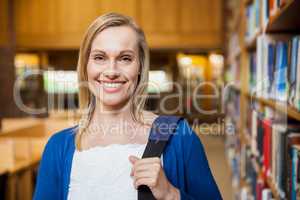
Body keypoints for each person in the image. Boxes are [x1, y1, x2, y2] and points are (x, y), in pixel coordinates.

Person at [33, 13, 222, 200]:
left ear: (140, 66)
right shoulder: (58, 147)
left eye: (125, 58)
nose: (112, 71)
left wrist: (170, 195)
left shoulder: (178, 137)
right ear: (85, 66)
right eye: (100, 57)